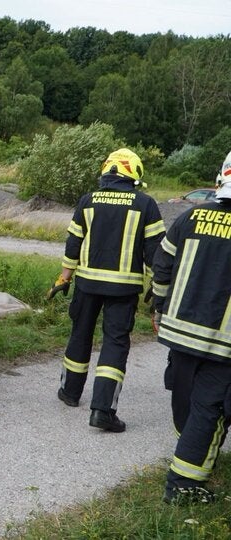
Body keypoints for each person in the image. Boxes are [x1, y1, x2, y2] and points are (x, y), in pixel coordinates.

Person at [48, 148, 165, 432]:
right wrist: (159, 288)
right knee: (114, 343)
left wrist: (64, 278)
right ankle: (102, 411)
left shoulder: (87, 201)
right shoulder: (145, 204)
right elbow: (156, 253)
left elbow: (73, 243)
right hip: (123, 289)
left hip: (87, 284)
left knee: (80, 334)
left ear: (107, 171)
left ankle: (70, 392)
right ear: (133, 174)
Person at [152, 149, 231, 504]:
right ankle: (182, 487)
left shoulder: (190, 217)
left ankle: (188, 449)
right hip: (223, 343)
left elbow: (163, 263)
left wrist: (159, 305)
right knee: (209, 409)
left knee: (185, 398)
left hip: (179, 331)